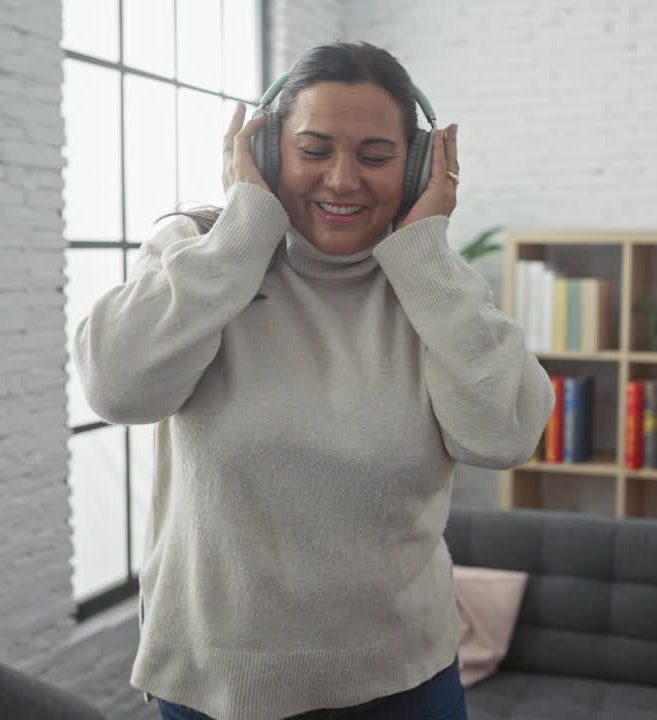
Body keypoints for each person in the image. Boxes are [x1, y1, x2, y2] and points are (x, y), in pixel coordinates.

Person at [71, 41, 554, 720]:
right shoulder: (197, 255)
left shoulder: (433, 290)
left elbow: (505, 436)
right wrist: (243, 229)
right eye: (315, 149)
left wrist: (423, 253)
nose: (342, 179)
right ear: (267, 154)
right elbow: (118, 388)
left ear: (418, 165)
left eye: (376, 156)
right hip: (220, 685)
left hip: (405, 679)